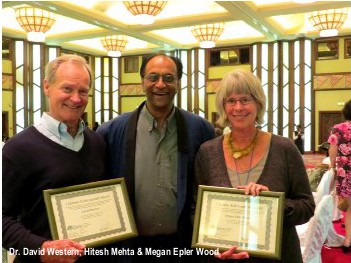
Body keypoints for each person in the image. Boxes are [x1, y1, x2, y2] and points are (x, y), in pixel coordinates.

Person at [97, 53, 215, 262]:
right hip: (132, 249)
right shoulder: (112, 132)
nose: (160, 84)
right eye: (153, 77)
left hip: (181, 246)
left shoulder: (199, 129)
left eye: (168, 78)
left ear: (178, 83)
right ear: (142, 82)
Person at [194, 70, 315, 263]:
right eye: (231, 101)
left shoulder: (284, 148)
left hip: (279, 257)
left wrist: (271, 204)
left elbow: (307, 206)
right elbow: (196, 209)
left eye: (245, 99)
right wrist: (213, 247)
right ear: (223, 106)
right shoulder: (207, 152)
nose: (238, 107)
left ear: (258, 104)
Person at [2, 54, 107, 263]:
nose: (76, 99)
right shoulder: (19, 148)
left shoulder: (97, 143)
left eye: (83, 91)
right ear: (47, 87)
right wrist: (41, 248)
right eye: (67, 89)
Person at [328, 99, 351, 253]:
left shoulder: (338, 128)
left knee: (349, 207)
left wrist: (333, 166)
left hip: (346, 171)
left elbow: (332, 151)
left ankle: (348, 240)